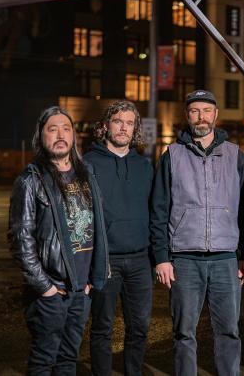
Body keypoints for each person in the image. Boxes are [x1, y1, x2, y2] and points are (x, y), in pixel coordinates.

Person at [150, 89, 244, 376]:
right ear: (187, 115)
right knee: (184, 332)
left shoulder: (235, 155)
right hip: (184, 259)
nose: (201, 117)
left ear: (216, 115)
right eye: (195, 111)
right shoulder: (172, 156)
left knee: (229, 331)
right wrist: (162, 257)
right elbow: (158, 210)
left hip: (226, 258)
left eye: (206, 110)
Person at [8, 106, 109, 375]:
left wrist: (91, 281)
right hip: (51, 292)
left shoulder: (87, 175)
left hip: (81, 290)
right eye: (52, 129)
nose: (60, 135)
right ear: (40, 136)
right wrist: (46, 288)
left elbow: (98, 228)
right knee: (44, 361)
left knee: (68, 361)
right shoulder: (30, 181)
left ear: (74, 136)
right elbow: (20, 241)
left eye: (66, 129)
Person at [83, 101, 153, 376]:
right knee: (102, 327)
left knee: (140, 327)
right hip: (105, 259)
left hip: (140, 260)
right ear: (105, 126)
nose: (124, 128)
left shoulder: (145, 166)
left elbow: (155, 212)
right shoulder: (88, 164)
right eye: (117, 121)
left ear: (135, 129)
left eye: (129, 123)